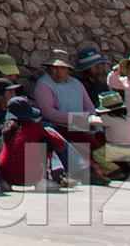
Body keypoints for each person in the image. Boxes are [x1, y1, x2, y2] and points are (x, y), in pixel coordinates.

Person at [33, 49, 95, 182]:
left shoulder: (76, 84)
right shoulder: (43, 85)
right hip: (58, 126)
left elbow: (89, 107)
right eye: (55, 68)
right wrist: (77, 120)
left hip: (80, 125)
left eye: (62, 68)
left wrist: (90, 119)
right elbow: (48, 112)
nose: (58, 72)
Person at [0, 95, 72, 188]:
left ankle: (5, 182)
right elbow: (60, 144)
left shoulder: (6, 129)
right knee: (46, 143)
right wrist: (49, 134)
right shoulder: (34, 127)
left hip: (6, 175)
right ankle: (43, 180)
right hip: (30, 177)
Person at [93, 90, 130, 183]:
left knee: (97, 154)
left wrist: (90, 116)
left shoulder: (107, 119)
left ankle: (114, 171)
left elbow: (92, 121)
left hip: (116, 148)